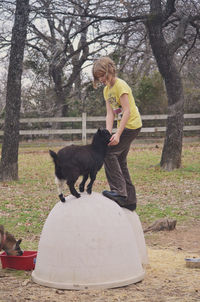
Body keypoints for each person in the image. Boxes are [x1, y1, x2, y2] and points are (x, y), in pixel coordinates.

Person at [92, 56, 142, 211]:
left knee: (109, 153)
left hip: (131, 125)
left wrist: (118, 134)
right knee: (120, 159)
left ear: (110, 71)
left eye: (102, 75)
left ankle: (119, 193)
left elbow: (126, 111)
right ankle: (130, 200)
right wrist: (108, 133)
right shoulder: (107, 90)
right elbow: (110, 114)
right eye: (98, 77)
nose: (100, 79)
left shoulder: (121, 86)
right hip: (124, 126)